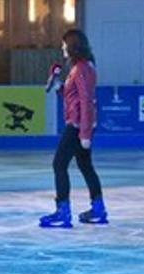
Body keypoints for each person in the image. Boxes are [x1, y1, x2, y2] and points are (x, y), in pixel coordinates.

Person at [39, 29, 107, 228]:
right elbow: (74, 97)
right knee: (85, 165)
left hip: (77, 126)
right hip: (80, 123)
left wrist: (84, 133)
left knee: (59, 164)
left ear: (72, 46)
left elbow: (86, 100)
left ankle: (63, 211)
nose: (62, 48)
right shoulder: (80, 68)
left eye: (63, 45)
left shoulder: (81, 69)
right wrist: (59, 85)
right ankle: (98, 208)